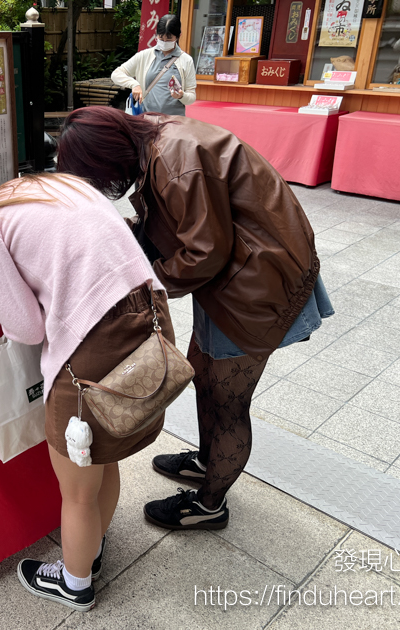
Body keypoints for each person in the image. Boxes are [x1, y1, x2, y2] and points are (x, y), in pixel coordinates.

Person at [56, 106, 333, 531]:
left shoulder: (173, 161)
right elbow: (185, 225)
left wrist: (149, 283)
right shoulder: (155, 138)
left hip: (252, 287)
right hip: (236, 275)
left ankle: (210, 505)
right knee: (204, 377)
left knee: (229, 404)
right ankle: (208, 461)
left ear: (108, 156)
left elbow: (204, 252)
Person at [0, 173, 175, 611]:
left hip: (96, 337)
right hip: (148, 311)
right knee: (101, 456)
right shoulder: (53, 184)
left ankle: (74, 582)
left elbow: (26, 328)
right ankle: (89, 547)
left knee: (76, 487)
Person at [111, 14, 196, 116]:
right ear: (156, 34)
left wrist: (182, 96)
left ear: (178, 36)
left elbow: (191, 97)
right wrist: (134, 84)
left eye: (169, 39)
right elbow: (116, 74)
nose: (164, 42)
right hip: (147, 120)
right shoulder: (144, 56)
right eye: (161, 38)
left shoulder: (186, 60)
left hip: (174, 122)